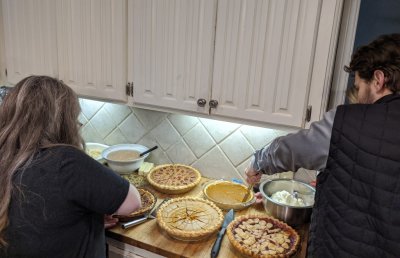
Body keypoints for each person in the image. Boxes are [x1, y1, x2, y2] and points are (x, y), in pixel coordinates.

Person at [245, 33, 400, 257]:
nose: (357, 95)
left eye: (358, 87)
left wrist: (257, 161)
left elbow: (293, 149)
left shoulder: (350, 122)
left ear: (378, 79)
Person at [0, 76, 142, 258]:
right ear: (62, 121)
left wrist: (90, 219)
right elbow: (132, 202)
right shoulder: (65, 161)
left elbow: (40, 221)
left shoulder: (6, 158)